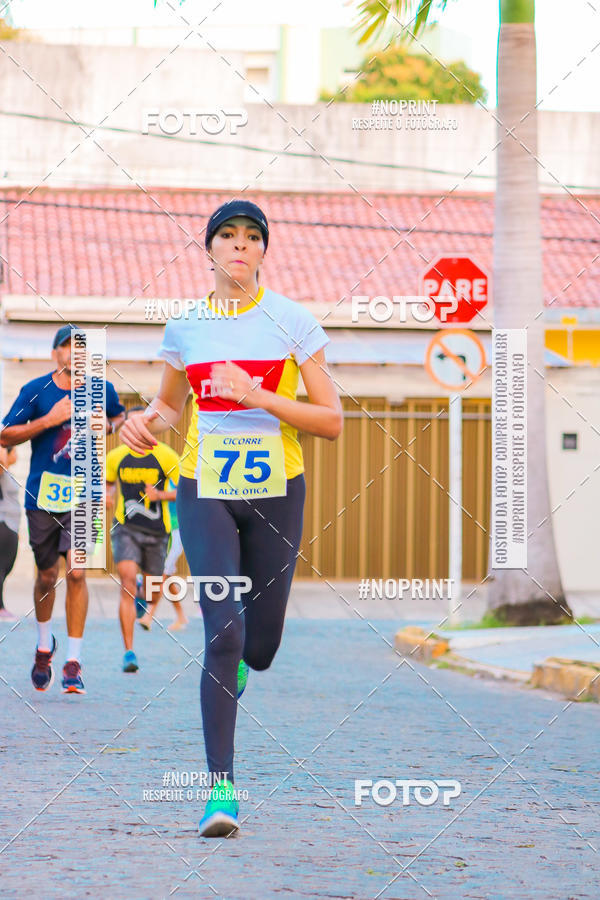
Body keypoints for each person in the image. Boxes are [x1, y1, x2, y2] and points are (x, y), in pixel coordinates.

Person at [119, 199, 342, 837]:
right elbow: (168, 406)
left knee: (260, 646)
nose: (240, 246)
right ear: (210, 249)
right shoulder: (185, 326)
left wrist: (258, 395)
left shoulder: (294, 322)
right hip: (204, 489)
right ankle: (221, 792)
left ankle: (247, 656)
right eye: (227, 236)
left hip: (277, 494)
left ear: (263, 251)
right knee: (223, 633)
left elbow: (331, 421)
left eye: (251, 237)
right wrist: (142, 424)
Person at [0, 325, 125, 693]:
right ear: (56, 353)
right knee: (45, 575)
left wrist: (112, 425)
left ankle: (73, 661)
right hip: (43, 496)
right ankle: (44, 646)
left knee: (77, 573)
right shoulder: (35, 390)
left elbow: (118, 417)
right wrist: (49, 420)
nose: (74, 354)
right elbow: (6, 434)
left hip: (85, 494)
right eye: (67, 347)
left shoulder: (103, 390)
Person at [105, 408, 181, 672]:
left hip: (158, 531)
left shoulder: (165, 455)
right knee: (126, 580)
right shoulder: (116, 456)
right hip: (126, 527)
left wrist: (161, 496)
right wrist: (107, 495)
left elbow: (186, 490)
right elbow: (108, 482)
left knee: (152, 589)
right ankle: (129, 652)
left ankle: (142, 594)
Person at [137, 476, 189, 632]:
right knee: (168, 577)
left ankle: (149, 615)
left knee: (162, 574)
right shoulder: (157, 479)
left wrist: (159, 495)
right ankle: (181, 616)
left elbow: (181, 495)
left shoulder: (176, 479)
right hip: (163, 531)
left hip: (177, 530)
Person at [0, 446, 20, 620]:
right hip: (3, 524)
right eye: (14, 451)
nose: (17, 455)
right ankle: (0, 607)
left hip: (12, 525)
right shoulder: (1, 470)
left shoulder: (8, 473)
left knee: (6, 567)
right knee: (1, 567)